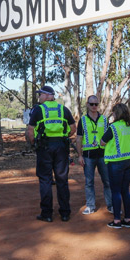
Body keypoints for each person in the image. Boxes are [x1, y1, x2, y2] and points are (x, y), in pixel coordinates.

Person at [26, 85, 76, 222]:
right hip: (61, 147)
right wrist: (63, 136)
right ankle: (65, 213)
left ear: (48, 95)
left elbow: (31, 131)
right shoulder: (63, 109)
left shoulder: (39, 110)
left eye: (40, 94)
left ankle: (47, 214)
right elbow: (73, 128)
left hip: (44, 147)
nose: (39, 97)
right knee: (62, 180)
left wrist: (34, 143)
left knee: (45, 180)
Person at [73, 94, 112, 215]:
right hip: (88, 157)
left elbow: (109, 138)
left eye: (96, 104)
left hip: (103, 156)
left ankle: (111, 205)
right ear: (87, 105)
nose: (94, 106)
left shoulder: (104, 119)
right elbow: (79, 139)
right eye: (92, 104)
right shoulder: (83, 120)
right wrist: (80, 155)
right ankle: (90, 205)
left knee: (107, 181)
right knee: (89, 182)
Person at [100, 102, 130, 229]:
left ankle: (116, 221)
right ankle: (128, 219)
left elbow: (103, 142)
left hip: (116, 162)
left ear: (116, 113)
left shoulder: (113, 127)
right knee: (125, 190)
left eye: (113, 112)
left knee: (115, 191)